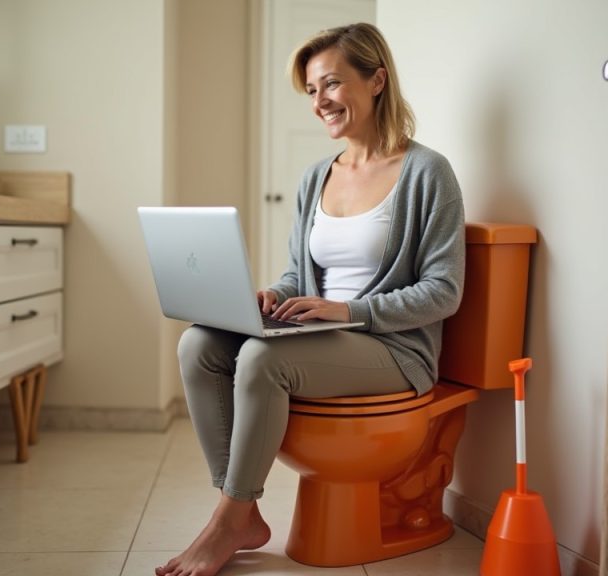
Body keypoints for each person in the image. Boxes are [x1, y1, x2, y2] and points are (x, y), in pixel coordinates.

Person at [155, 22, 465, 576]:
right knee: (198, 345)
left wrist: (348, 311)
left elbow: (444, 291)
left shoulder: (427, 172)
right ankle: (241, 506)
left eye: (330, 84)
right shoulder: (316, 176)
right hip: (322, 337)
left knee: (262, 358)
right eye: (311, 91)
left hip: (394, 349)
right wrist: (275, 297)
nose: (319, 102)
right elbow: (301, 274)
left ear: (376, 81)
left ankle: (227, 523)